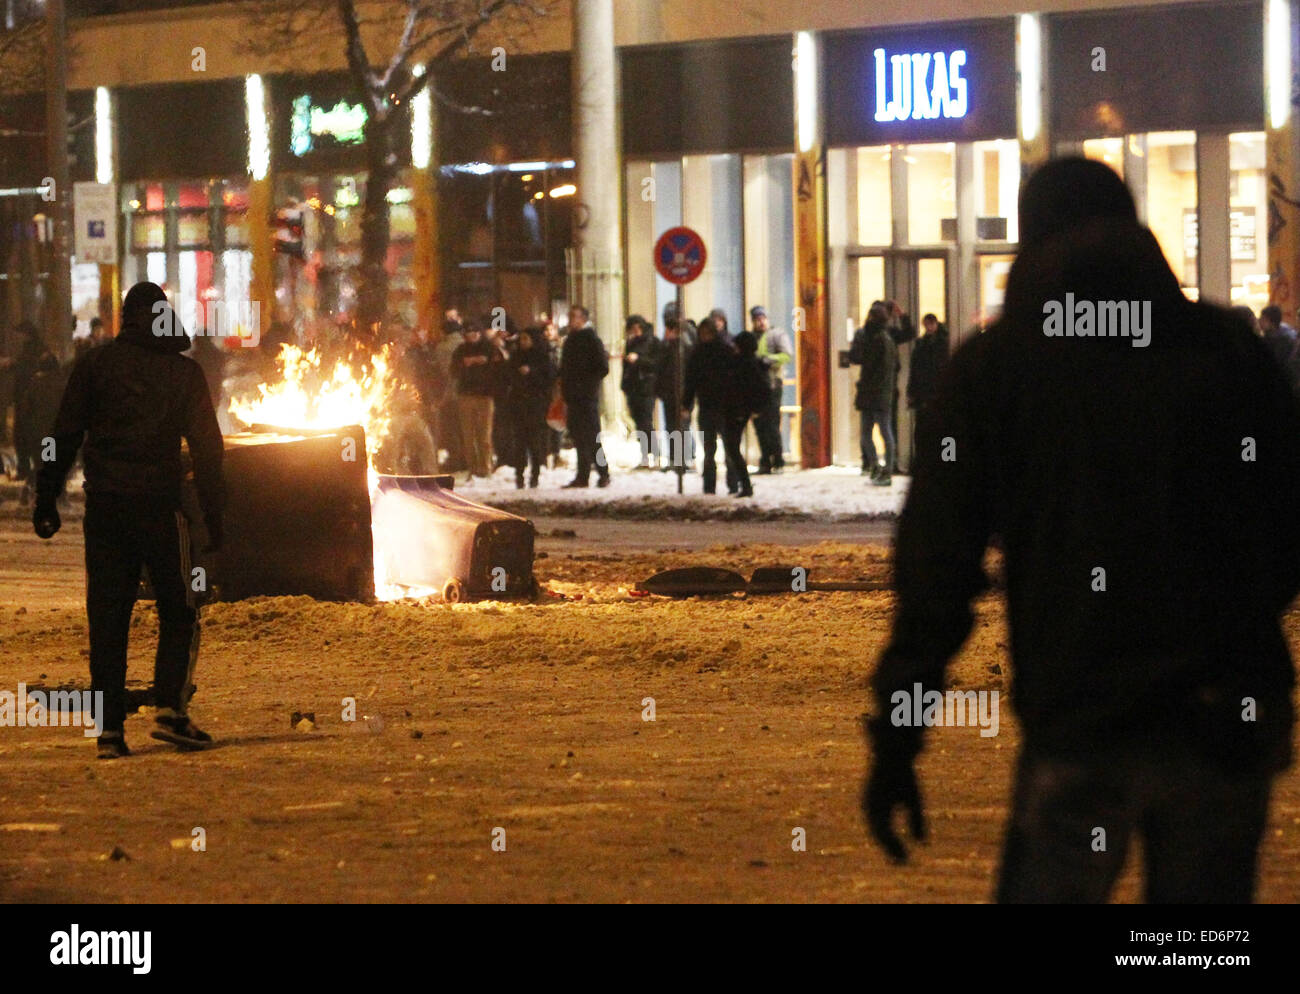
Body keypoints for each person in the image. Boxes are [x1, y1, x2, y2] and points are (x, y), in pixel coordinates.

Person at [863, 157, 1300, 903]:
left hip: (1083, 718)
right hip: (1222, 718)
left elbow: (937, 569)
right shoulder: (1227, 352)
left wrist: (900, 736)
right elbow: (1288, 524)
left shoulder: (996, 370)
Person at [33, 282, 225, 759]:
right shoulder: (184, 374)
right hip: (161, 509)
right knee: (180, 607)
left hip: (106, 511)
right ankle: (170, 713)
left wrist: (46, 496)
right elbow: (208, 449)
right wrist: (213, 512)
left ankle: (109, 733)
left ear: (125, 318)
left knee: (108, 618)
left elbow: (62, 436)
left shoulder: (95, 367)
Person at [683, 317, 738, 495]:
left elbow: (737, 379)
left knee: (728, 449)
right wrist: (686, 404)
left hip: (724, 406)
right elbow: (690, 382)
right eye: (703, 333)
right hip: (709, 406)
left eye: (708, 333)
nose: (705, 336)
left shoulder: (724, 351)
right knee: (709, 449)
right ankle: (710, 486)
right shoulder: (699, 353)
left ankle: (732, 483)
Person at [559, 305, 610, 488]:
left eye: (574, 316)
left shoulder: (591, 339)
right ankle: (583, 475)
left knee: (592, 436)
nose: (571, 320)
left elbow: (602, 367)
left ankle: (603, 472)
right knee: (578, 437)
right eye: (570, 316)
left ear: (583, 319)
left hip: (587, 396)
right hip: (573, 396)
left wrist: (587, 383)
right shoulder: (570, 340)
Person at [849, 302, 899, 486]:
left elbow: (875, 366)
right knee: (869, 433)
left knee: (882, 431)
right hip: (873, 391)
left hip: (876, 392)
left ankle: (885, 470)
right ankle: (878, 467)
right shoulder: (872, 337)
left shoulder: (881, 339)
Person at [450, 320, 504, 480]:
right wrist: (467, 363)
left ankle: (485, 467)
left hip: (485, 396)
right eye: (468, 332)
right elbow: (453, 370)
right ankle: (473, 467)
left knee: (484, 434)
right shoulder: (460, 350)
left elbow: (498, 370)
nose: (472, 335)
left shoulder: (489, 349)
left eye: (475, 332)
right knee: (468, 434)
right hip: (466, 395)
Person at [721, 330, 770, 498]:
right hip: (740, 410)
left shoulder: (744, 364)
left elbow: (745, 389)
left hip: (738, 410)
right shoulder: (750, 363)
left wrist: (749, 408)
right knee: (732, 447)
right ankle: (744, 484)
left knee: (732, 447)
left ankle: (745, 484)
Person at [508, 327, 556, 489]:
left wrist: (532, 372)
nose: (523, 343)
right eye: (521, 339)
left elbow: (549, 378)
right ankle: (519, 476)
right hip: (519, 405)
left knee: (535, 442)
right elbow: (508, 376)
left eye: (526, 339)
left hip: (536, 405)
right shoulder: (516, 357)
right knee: (519, 443)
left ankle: (534, 475)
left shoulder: (542, 358)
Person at [750, 306, 792, 475]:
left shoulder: (776, 335)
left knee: (772, 423)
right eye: (757, 319)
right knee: (759, 425)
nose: (761, 322)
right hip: (756, 386)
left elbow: (787, 355)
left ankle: (778, 459)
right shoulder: (751, 338)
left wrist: (768, 360)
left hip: (772, 384)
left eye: (763, 318)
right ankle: (766, 460)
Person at [906, 313, 950, 463]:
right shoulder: (922, 344)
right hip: (925, 393)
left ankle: (945, 459)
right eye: (927, 324)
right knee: (923, 428)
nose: (929, 327)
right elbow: (914, 370)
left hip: (935, 392)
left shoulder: (942, 344)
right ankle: (928, 458)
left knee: (938, 428)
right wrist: (911, 392)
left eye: (931, 324)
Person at [621, 315, 659, 469]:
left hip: (647, 387)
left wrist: (638, 359)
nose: (635, 331)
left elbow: (656, 364)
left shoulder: (652, 342)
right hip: (633, 387)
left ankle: (654, 454)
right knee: (639, 423)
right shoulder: (631, 343)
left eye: (637, 328)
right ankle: (645, 455)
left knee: (646, 421)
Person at [1258, 304, 1300, 393]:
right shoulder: (1268, 336)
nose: (1259, 322)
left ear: (1271, 322)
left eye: (1263, 319)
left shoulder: (1284, 339)